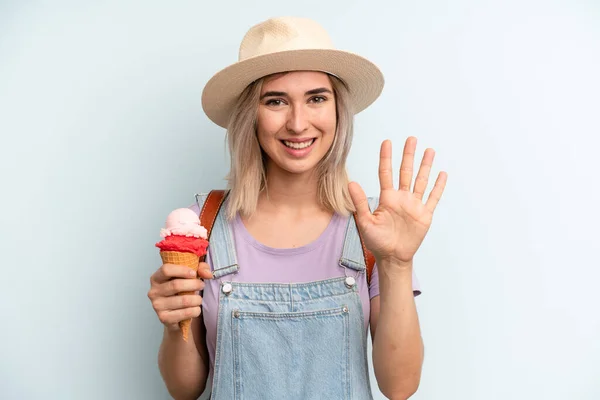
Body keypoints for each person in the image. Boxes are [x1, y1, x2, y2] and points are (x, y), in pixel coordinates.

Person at [148, 16, 447, 400]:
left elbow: (400, 386)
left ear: (338, 110)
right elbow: (183, 388)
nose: (298, 122)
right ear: (249, 116)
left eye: (316, 98)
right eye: (275, 101)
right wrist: (175, 325)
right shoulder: (202, 225)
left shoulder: (373, 228)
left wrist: (398, 264)